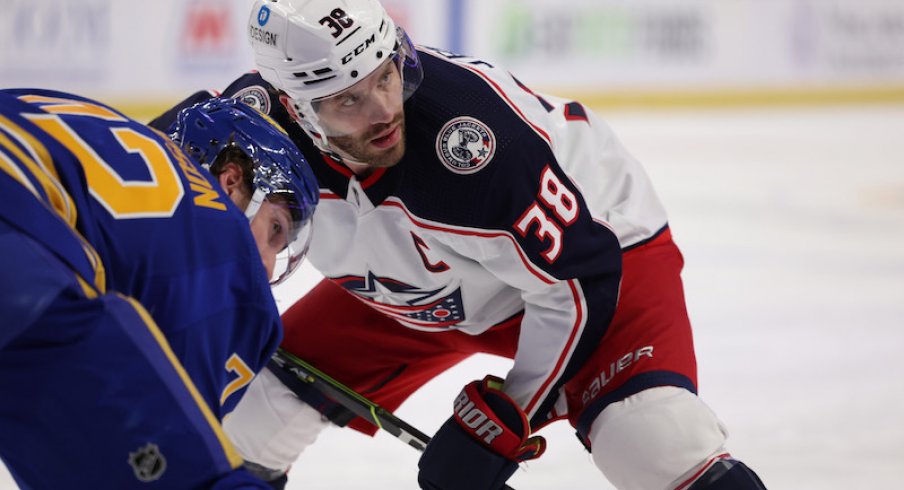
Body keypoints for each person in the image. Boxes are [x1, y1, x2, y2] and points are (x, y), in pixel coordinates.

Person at [151, 0, 768, 488]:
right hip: (414, 285)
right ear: (295, 107)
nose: (384, 111)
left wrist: (505, 416)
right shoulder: (248, 134)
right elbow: (130, 188)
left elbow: (578, 279)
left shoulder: (472, 145)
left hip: (591, 259)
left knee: (652, 443)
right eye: (347, 101)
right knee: (244, 427)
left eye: (386, 75)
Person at [0, 90, 318, 488]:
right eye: (275, 229)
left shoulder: (103, 123)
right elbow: (172, 440)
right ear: (232, 182)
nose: (268, 264)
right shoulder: (224, 243)